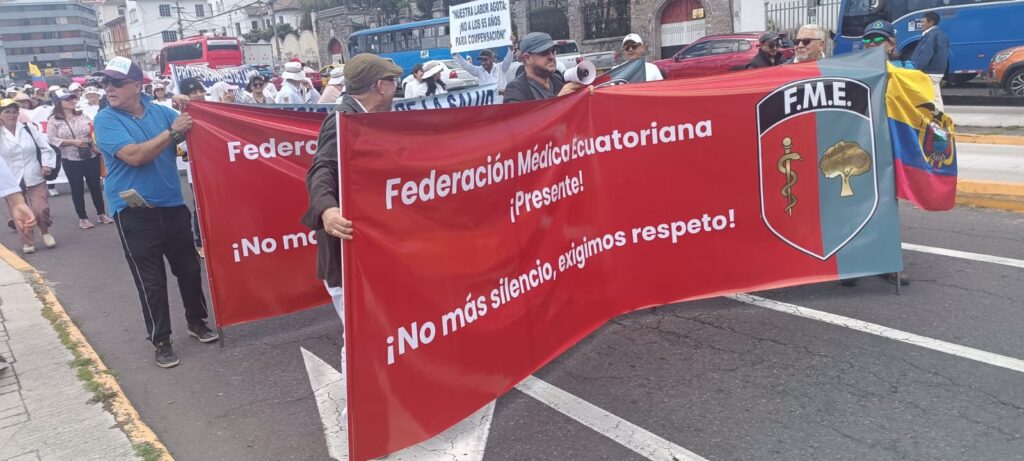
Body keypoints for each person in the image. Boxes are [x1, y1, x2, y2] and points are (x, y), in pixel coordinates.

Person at [92, 57, 218, 368]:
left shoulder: (161, 111)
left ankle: (197, 321)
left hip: (171, 205)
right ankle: (161, 340)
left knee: (189, 269)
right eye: (106, 82)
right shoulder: (105, 119)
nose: (109, 88)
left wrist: (191, 106)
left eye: (116, 82)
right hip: (133, 212)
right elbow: (135, 156)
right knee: (151, 280)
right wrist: (173, 133)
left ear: (137, 85)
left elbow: (198, 125)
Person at [302, 54, 400, 373]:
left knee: (380, 330)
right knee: (361, 334)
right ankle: (355, 402)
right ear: (380, 86)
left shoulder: (369, 118)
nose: (397, 88)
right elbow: (321, 168)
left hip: (371, 246)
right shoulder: (342, 120)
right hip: (346, 250)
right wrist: (328, 210)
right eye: (394, 81)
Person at [47, 88, 112, 229]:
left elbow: (92, 132)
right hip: (70, 159)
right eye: (67, 99)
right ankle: (83, 217)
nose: (72, 101)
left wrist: (94, 146)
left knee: (95, 186)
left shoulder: (83, 115)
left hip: (90, 155)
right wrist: (73, 142)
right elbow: (52, 139)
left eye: (72, 98)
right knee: (77, 188)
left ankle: (101, 213)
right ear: (58, 102)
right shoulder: (53, 120)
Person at [0, 98, 57, 254]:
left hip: (34, 174)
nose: (11, 115)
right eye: (7, 112)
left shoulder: (28, 129)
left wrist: (46, 164)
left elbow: (45, 148)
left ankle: (45, 232)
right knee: (18, 210)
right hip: (12, 178)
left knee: (41, 208)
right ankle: (27, 240)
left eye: (14, 112)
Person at [175, 78, 207, 257]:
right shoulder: (182, 115)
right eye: (193, 92)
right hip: (196, 171)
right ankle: (200, 241)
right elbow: (181, 147)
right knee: (200, 206)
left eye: (200, 91)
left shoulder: (212, 112)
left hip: (216, 170)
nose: (199, 95)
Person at [504, 32, 583, 103]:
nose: (552, 57)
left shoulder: (558, 80)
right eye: (544, 53)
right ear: (527, 58)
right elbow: (523, 115)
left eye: (553, 51)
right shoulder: (515, 90)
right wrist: (559, 100)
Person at [909, 11, 948, 111]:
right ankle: (940, 116)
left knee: (925, 98)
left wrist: (915, 68)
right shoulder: (941, 34)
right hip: (938, 71)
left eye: (923, 21)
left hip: (929, 72)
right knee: (936, 97)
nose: (921, 24)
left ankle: (932, 117)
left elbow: (925, 55)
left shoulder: (930, 36)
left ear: (931, 22)